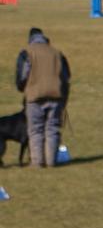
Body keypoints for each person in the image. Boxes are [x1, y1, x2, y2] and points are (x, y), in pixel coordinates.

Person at [14, 26, 70, 168]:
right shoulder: (57, 53)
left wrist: (23, 88)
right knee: (52, 129)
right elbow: (66, 77)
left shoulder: (27, 53)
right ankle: (51, 161)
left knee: (35, 130)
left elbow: (22, 77)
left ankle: (37, 162)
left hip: (34, 96)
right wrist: (63, 98)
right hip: (56, 96)